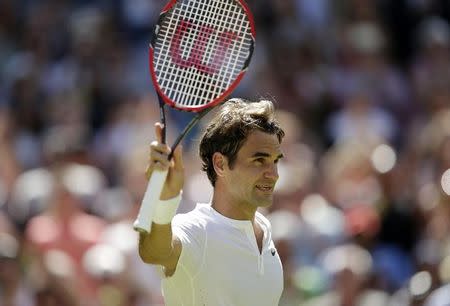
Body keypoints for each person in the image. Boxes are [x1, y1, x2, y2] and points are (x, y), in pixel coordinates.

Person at [137, 98, 286, 306]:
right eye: (259, 160)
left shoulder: (265, 229)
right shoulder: (195, 230)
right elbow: (154, 252)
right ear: (220, 164)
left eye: (275, 161)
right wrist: (163, 201)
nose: (273, 174)